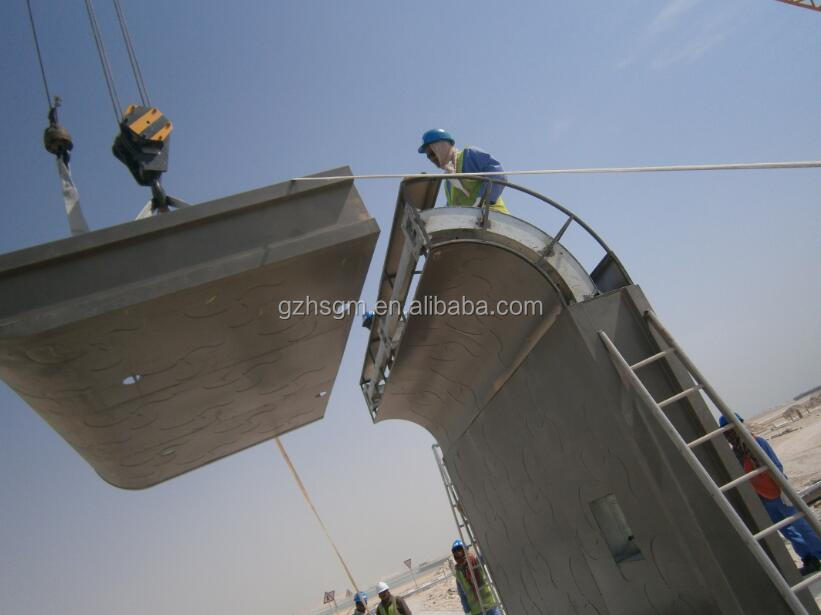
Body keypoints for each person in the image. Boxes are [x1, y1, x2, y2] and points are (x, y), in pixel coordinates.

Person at [720, 413, 821, 576]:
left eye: (731, 430)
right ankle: (810, 559)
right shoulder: (736, 454)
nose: (729, 435)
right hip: (763, 498)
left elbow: (776, 466)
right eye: (726, 432)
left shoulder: (757, 443)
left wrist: (784, 490)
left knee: (802, 525)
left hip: (778, 493)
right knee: (788, 531)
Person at [418, 129, 510, 214]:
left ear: (442, 147)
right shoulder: (448, 180)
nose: (431, 159)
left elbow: (498, 173)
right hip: (470, 224)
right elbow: (452, 206)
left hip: (494, 217)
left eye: (433, 153)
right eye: (428, 156)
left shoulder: (469, 156)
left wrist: (482, 200)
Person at [451, 539, 502, 615]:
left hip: (490, 606)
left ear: (465, 550)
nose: (458, 553)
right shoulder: (458, 574)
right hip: (477, 611)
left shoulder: (476, 562)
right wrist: (467, 611)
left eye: (459, 549)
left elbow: (484, 553)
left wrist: (479, 539)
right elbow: (463, 595)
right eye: (455, 551)